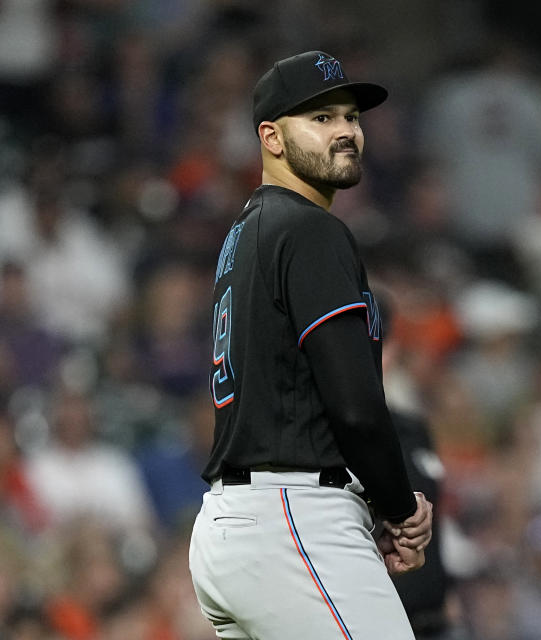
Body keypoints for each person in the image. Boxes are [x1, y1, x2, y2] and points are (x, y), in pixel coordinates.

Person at [187, 50, 434, 640]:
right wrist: (399, 507)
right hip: (291, 520)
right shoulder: (310, 230)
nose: (346, 131)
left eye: (351, 116)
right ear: (270, 137)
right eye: (321, 118)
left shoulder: (245, 234)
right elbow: (355, 404)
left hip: (236, 526)